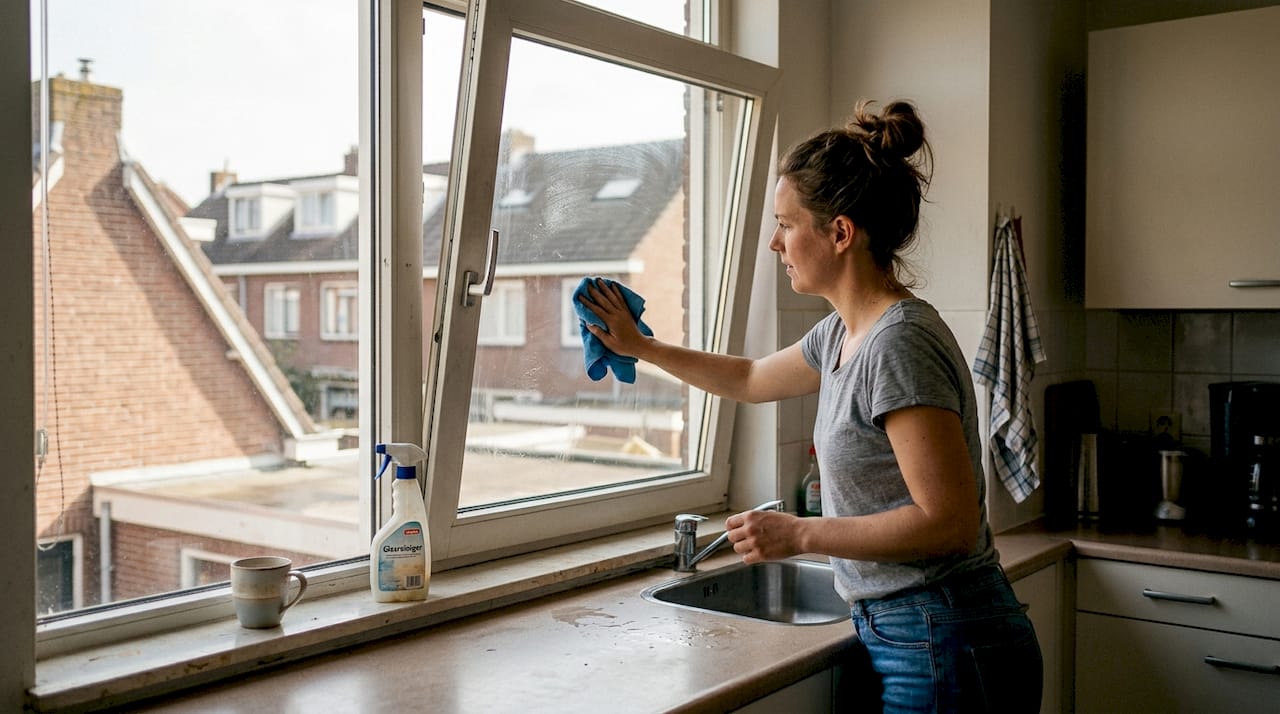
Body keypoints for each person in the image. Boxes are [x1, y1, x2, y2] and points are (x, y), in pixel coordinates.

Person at [579, 99, 1043, 712]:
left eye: (786, 223)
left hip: (946, 636)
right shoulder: (842, 334)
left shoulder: (897, 343)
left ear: (840, 233)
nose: (775, 241)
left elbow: (948, 525)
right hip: (911, 633)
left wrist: (798, 534)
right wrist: (643, 346)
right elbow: (747, 378)